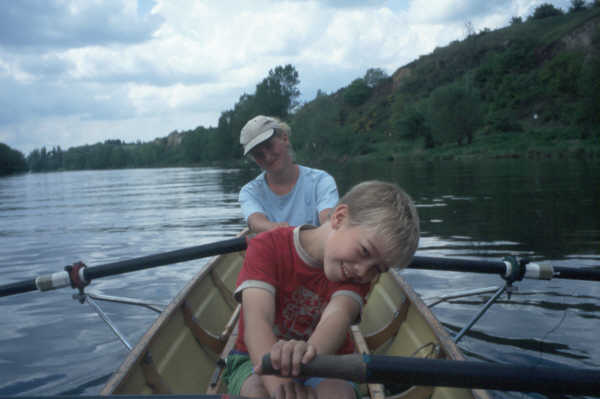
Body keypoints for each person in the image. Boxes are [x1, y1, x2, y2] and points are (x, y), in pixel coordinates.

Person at [224, 180, 420, 399]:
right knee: (258, 393)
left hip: (326, 359)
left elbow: (336, 317)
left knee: (336, 394)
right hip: (253, 358)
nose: (363, 271)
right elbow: (257, 321)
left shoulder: (358, 277)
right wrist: (281, 387)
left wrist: (304, 359)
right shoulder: (267, 246)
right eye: (364, 251)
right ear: (339, 218)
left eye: (378, 268)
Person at [239, 115, 339, 233]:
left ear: (285, 139)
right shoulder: (250, 191)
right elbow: (255, 222)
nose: (268, 157)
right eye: (258, 154)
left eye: (269, 146)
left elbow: (328, 219)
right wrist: (278, 229)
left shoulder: (321, 181)